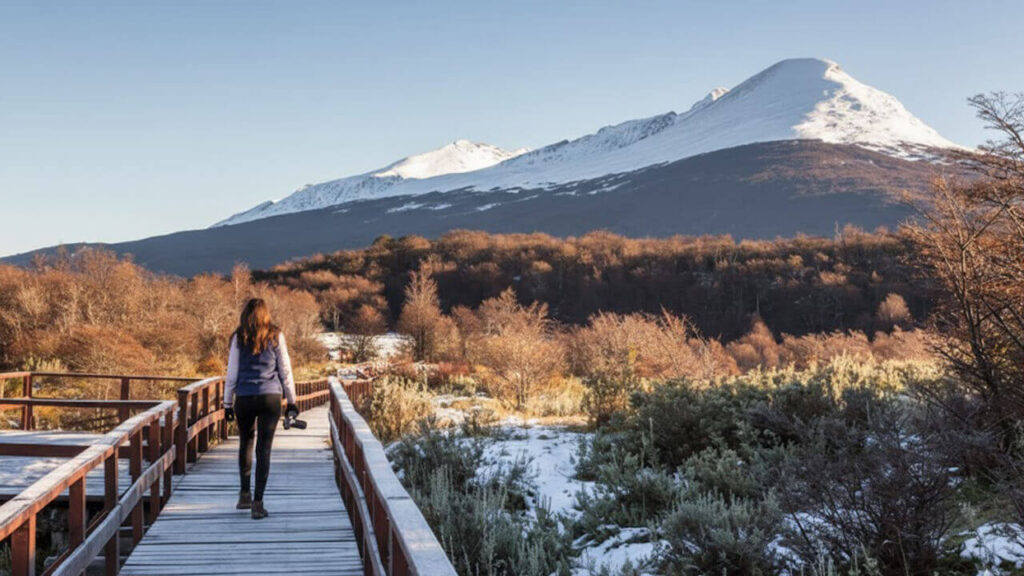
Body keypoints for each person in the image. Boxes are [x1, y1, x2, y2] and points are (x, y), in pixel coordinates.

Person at [222, 298, 299, 519]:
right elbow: (285, 369)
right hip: (270, 397)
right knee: (264, 449)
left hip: (244, 397)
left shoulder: (239, 337)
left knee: (245, 443)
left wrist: (227, 403)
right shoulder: (276, 335)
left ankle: (244, 494)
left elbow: (232, 373)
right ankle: (258, 503)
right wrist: (291, 401)